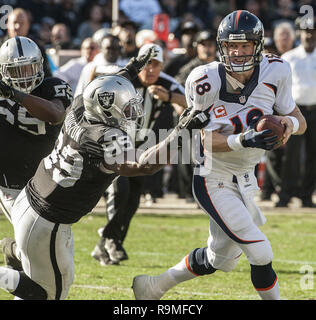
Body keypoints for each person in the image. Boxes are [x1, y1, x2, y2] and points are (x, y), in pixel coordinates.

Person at [0, 46, 210, 300]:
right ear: (109, 109)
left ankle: (11, 251)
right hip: (46, 219)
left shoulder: (80, 106)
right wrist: (180, 133)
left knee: (60, 284)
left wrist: (132, 68)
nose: (133, 111)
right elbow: (144, 164)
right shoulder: (103, 137)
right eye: (128, 106)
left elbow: (102, 86)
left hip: (35, 201)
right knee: (45, 295)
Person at [132, 10, 307, 301]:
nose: (238, 52)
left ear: (259, 46)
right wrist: (245, 138)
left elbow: (298, 118)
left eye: (245, 45)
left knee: (218, 259)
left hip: (246, 177)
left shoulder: (277, 70)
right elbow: (205, 140)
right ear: (221, 47)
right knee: (260, 251)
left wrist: (289, 124)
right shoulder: (204, 80)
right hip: (213, 176)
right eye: (231, 46)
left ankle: (152, 287)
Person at [92, 43, 188, 266]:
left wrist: (171, 97)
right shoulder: (124, 79)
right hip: (115, 145)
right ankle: (112, 243)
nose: (151, 69)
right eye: (147, 64)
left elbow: (192, 107)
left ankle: (105, 244)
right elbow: (96, 77)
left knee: (133, 200)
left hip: (141, 150)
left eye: (156, 65)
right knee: (120, 190)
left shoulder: (167, 84)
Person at [0, 36, 73, 223]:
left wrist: (14, 94)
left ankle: (12, 250)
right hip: (9, 183)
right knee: (32, 238)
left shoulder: (52, 86)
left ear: (39, 65)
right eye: (16, 70)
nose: (24, 76)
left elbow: (55, 115)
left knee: (48, 242)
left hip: (47, 180)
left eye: (28, 68)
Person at [277, 18, 316, 207]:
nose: (309, 35)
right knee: (291, 155)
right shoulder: (290, 57)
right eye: (306, 31)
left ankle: (307, 196)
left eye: (313, 31)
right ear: (300, 33)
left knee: (313, 156)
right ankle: (285, 195)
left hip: (315, 109)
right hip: (295, 111)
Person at [0, 8, 52, 78]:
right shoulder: (1, 45)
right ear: (7, 24)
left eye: (22, 23)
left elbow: (46, 75)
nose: (17, 26)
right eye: (14, 22)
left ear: (28, 25)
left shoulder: (36, 46)